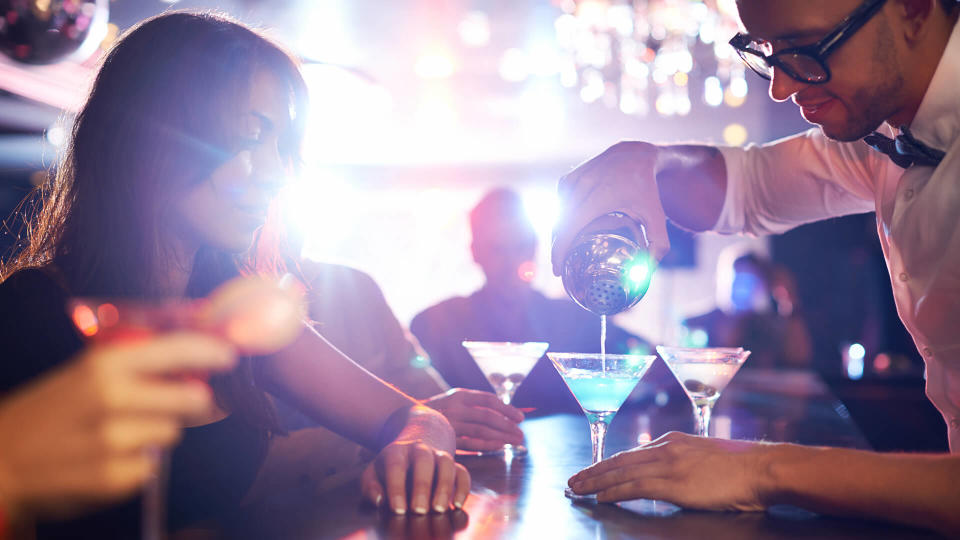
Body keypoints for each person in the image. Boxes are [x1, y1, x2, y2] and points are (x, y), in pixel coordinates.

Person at [0, 11, 467, 537]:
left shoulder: (232, 310)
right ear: (155, 135)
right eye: (250, 135)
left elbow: (415, 416)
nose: (279, 173)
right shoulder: (32, 309)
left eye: (282, 146)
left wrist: (419, 442)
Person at [553, 0, 960, 534]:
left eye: (806, 50)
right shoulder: (882, 135)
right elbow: (750, 187)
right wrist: (644, 161)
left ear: (912, 10)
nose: (783, 88)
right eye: (766, 54)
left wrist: (761, 469)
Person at [412, 188, 650, 414]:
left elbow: (642, 360)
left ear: (535, 248)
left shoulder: (576, 319)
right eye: (497, 249)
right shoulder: (435, 324)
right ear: (475, 252)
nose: (511, 262)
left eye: (520, 246)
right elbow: (418, 402)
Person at [682, 245, 812, 369]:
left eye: (750, 282)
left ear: (762, 287)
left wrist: (788, 301)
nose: (742, 289)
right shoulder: (693, 324)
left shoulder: (768, 328)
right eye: (737, 279)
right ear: (721, 279)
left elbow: (798, 359)